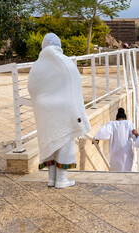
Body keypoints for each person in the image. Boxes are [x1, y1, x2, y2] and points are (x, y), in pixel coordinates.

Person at [28, 33, 91, 188]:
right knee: (64, 140)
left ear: (43, 45)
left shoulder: (37, 64)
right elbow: (75, 82)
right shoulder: (65, 62)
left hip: (44, 109)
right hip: (64, 108)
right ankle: (62, 179)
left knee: (49, 139)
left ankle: (51, 178)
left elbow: (32, 87)